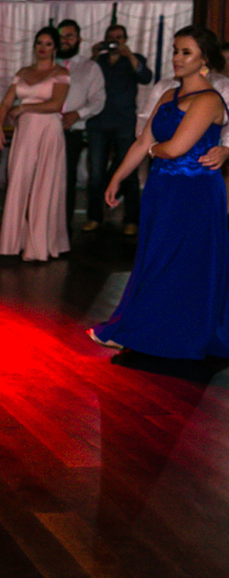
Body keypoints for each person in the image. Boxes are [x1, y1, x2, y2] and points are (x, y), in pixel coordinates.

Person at [89, 27, 229, 358]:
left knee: (180, 262)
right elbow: (143, 142)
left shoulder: (209, 99)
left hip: (193, 193)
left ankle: (165, 333)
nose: (177, 58)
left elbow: (175, 148)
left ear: (204, 59)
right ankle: (142, 327)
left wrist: (153, 150)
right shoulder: (168, 95)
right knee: (153, 259)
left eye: (186, 52)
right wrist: (117, 177)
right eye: (176, 50)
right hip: (162, 189)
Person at [0, 26, 71, 262]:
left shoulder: (60, 73)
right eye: (39, 43)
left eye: (48, 44)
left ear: (55, 48)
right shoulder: (23, 72)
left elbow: (56, 104)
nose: (42, 48)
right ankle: (12, 243)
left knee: (45, 185)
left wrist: (24, 107)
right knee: (18, 181)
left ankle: (41, 245)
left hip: (48, 131)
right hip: (25, 133)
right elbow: (6, 103)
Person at [84, 24, 152, 235]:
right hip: (98, 122)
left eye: (119, 37)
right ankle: (94, 217)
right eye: (111, 38)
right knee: (96, 174)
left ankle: (131, 220)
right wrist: (94, 55)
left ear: (126, 39)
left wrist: (128, 54)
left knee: (129, 173)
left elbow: (146, 77)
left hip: (125, 123)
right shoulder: (98, 62)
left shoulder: (133, 58)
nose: (115, 41)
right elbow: (82, 81)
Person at [55, 19, 106, 234]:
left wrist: (77, 114)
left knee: (65, 181)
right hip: (43, 130)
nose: (65, 41)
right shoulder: (47, 65)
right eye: (61, 36)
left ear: (79, 39)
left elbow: (98, 100)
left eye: (70, 36)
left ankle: (62, 231)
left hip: (71, 132)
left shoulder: (89, 67)